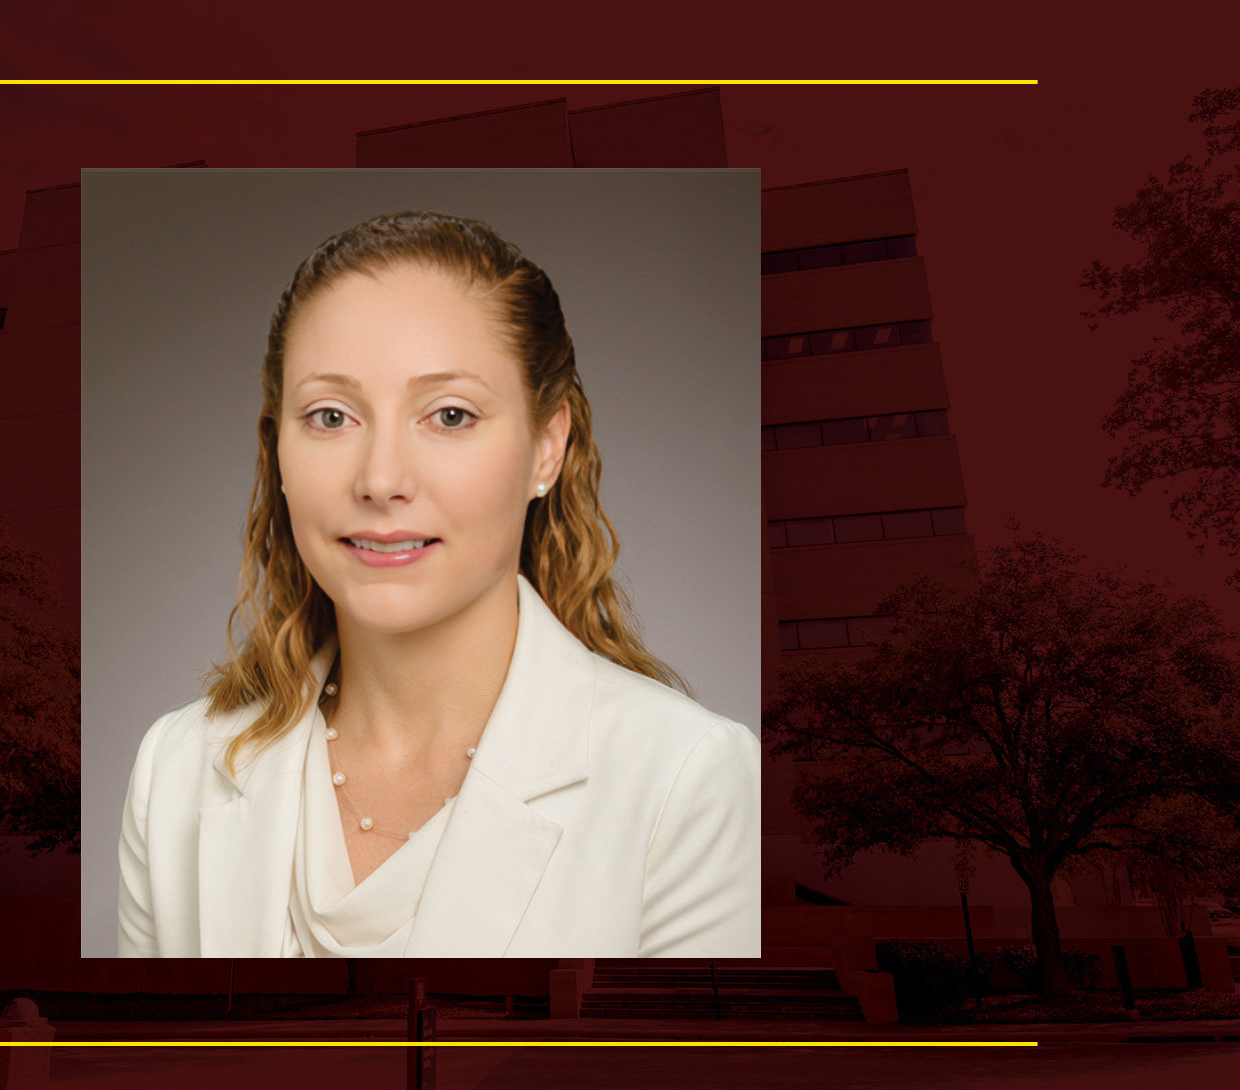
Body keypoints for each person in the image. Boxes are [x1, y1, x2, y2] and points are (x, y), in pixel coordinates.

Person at [115, 210, 760, 957]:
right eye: (330, 415)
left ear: (546, 448)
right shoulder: (175, 768)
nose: (381, 479)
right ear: (278, 453)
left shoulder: (689, 781)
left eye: (449, 415)